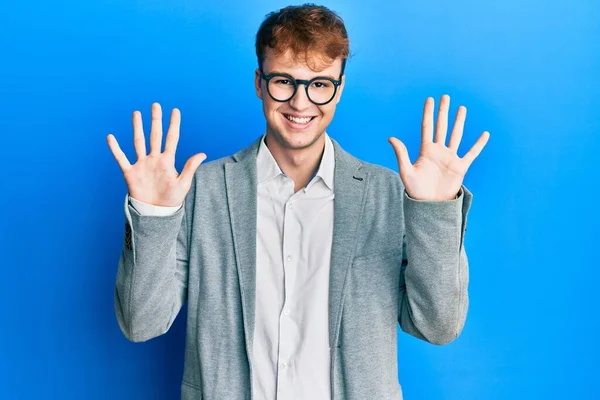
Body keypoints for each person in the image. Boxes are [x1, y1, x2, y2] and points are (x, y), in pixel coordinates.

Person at [107, 4, 489, 400]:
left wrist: (433, 213)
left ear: (339, 88)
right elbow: (141, 323)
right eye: (284, 81)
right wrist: (153, 215)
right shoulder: (203, 190)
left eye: (319, 84)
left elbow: (438, 326)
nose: (301, 103)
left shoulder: (386, 193)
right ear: (259, 82)